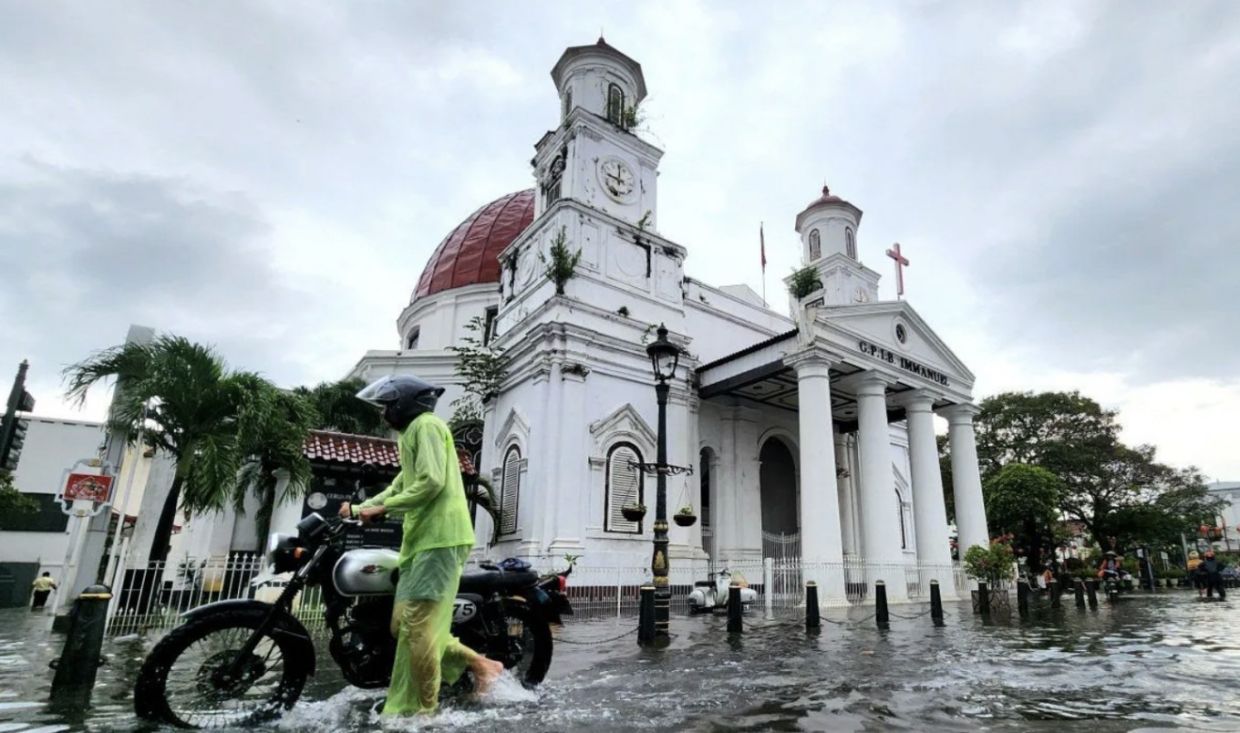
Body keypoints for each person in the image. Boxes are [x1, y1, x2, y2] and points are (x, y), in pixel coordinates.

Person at [339, 375, 502, 717]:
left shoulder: (426, 426)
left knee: (418, 627)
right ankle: (480, 664)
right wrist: (359, 508)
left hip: (441, 537)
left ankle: (423, 711)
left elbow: (430, 482)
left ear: (406, 403)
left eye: (388, 406)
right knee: (404, 625)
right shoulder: (412, 435)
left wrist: (383, 509)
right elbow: (402, 484)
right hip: (422, 540)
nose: (385, 414)